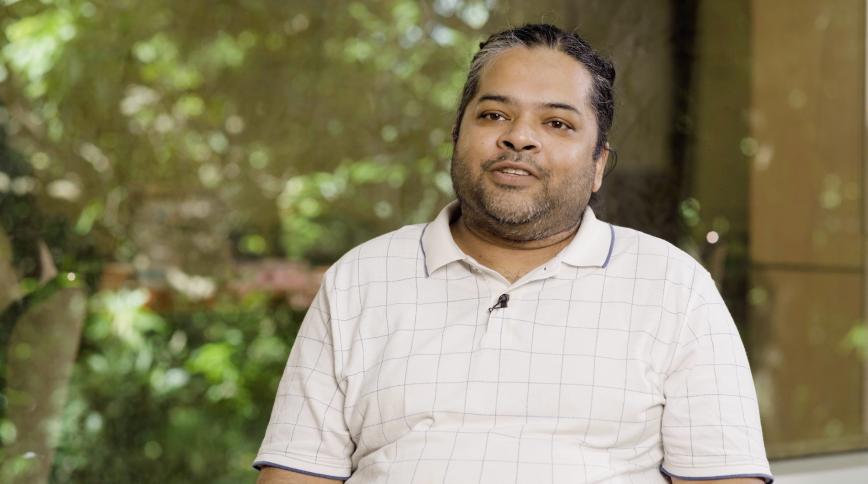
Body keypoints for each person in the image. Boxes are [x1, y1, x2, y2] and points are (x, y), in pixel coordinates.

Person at [253, 24, 773, 484]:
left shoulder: (674, 288)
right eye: (494, 114)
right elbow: (295, 474)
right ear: (456, 137)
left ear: (598, 164)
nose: (519, 137)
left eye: (557, 123)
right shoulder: (360, 280)